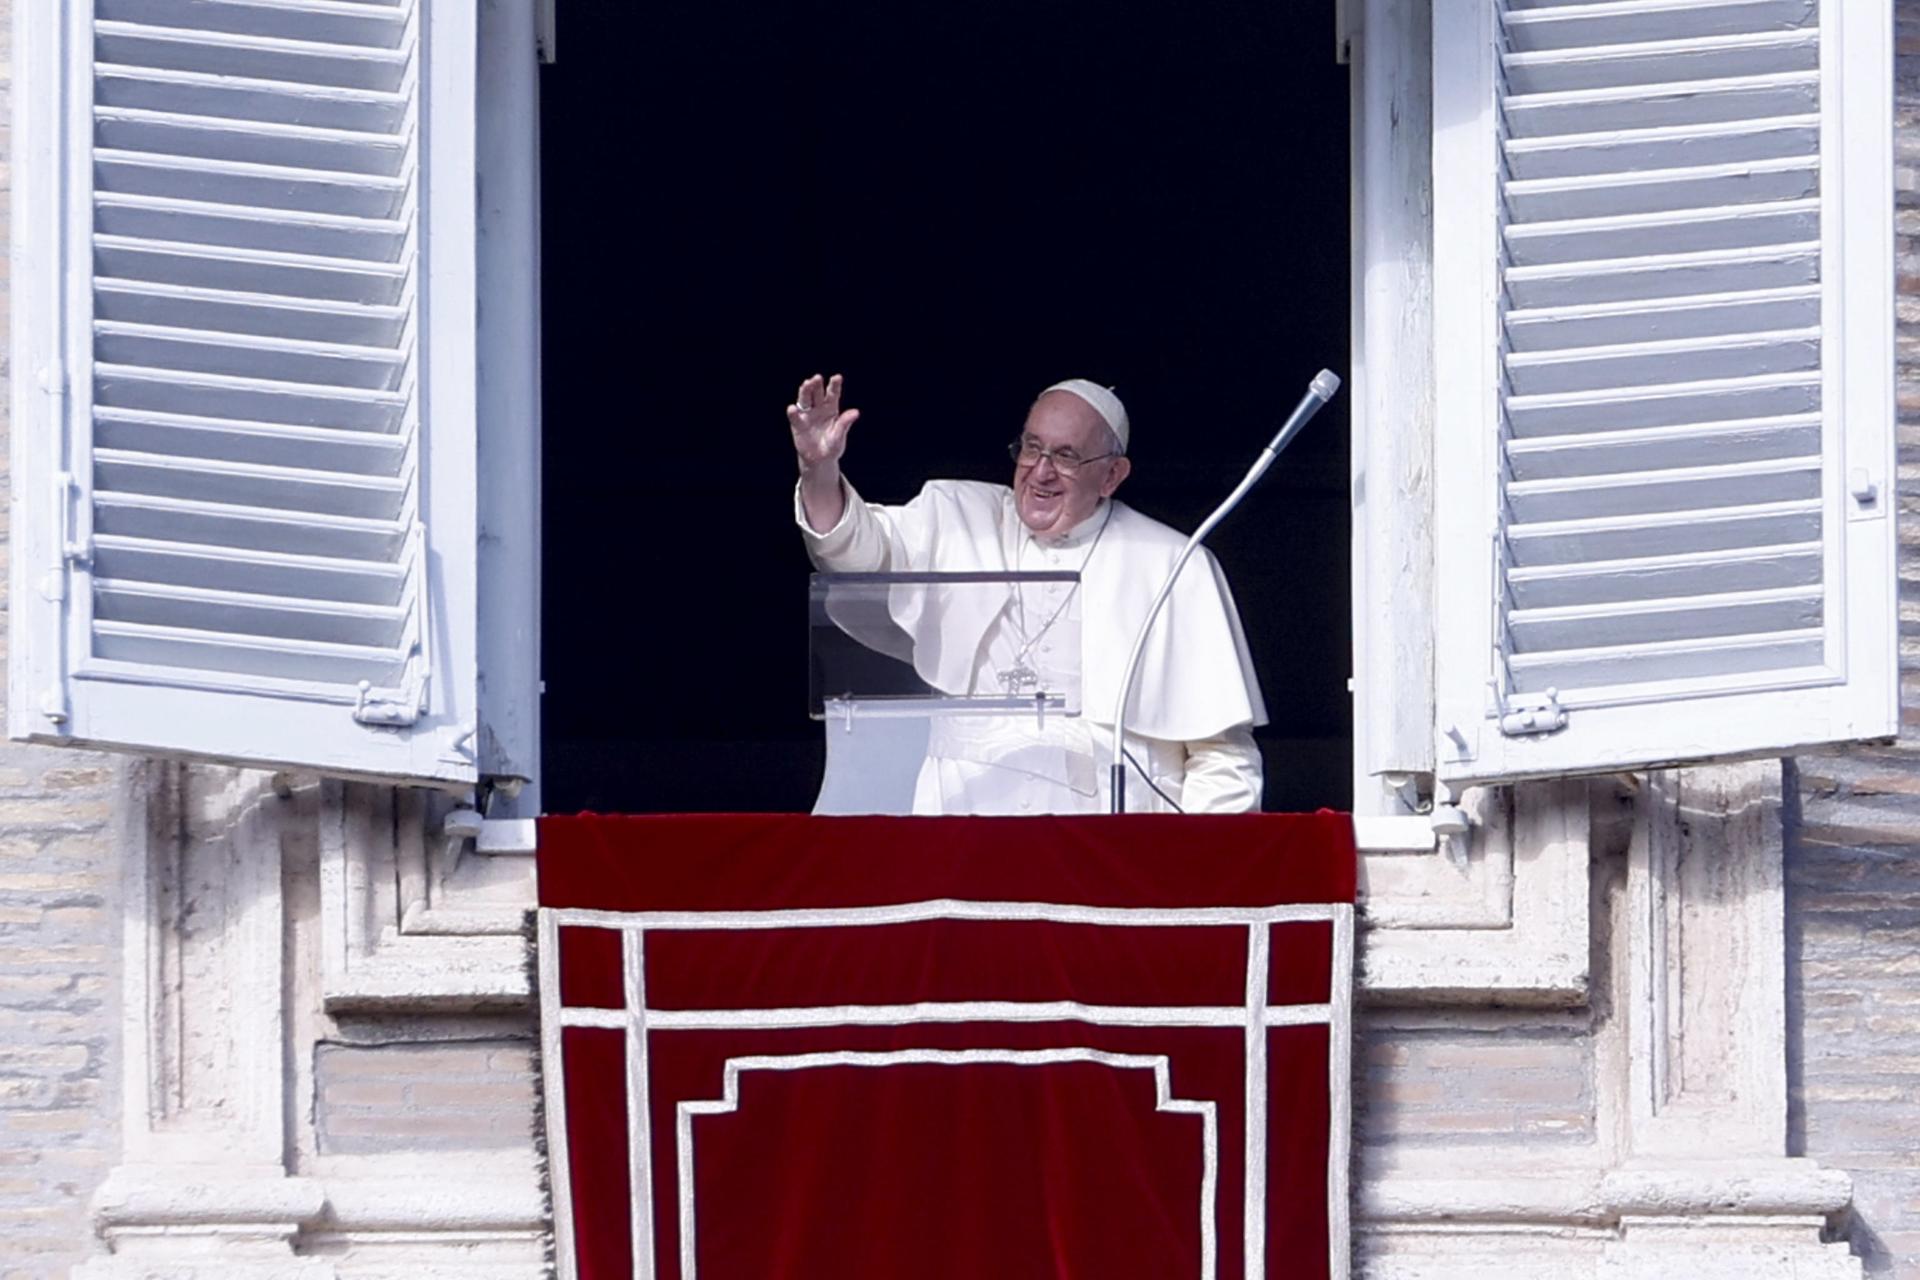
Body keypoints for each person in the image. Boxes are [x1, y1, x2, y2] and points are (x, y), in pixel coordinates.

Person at [792, 372, 1267, 815]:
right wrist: (819, 471)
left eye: (1066, 456)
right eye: (1031, 448)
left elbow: (1222, 759)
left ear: (1112, 476)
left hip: (1109, 857)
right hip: (963, 837)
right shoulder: (958, 517)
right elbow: (855, 553)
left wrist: (1198, 877)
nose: (1040, 472)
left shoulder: (1172, 564)